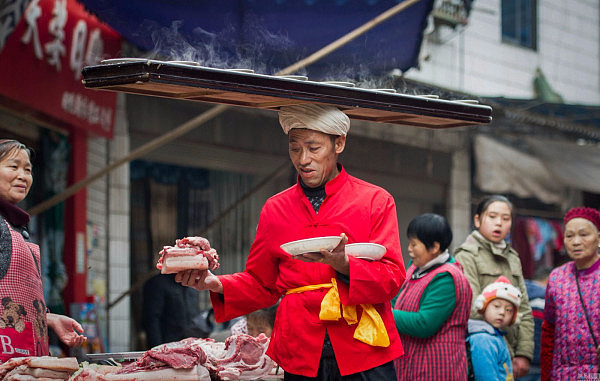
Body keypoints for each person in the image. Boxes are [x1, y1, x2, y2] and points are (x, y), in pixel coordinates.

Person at [176, 103, 406, 380]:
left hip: (362, 344)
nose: (303, 159)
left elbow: (393, 277)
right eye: (295, 148)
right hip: (299, 345)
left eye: (313, 148)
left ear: (339, 143)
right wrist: (214, 282)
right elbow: (262, 283)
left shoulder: (375, 200)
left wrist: (345, 265)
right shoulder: (275, 208)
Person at [0, 139, 86, 362]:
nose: (23, 175)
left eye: (28, 169)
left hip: (24, 361)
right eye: (13, 166)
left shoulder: (16, 227)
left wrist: (48, 318)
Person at [454, 194, 534, 378]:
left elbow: (524, 309)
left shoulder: (512, 256)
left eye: (505, 219)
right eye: (492, 216)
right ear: (477, 220)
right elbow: (473, 307)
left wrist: (524, 354)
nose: (499, 223)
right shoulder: (466, 255)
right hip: (482, 350)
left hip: (510, 354)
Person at [391, 213, 472, 380]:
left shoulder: (447, 278)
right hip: (412, 364)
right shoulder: (416, 267)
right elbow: (396, 298)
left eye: (415, 244)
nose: (409, 249)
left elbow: (424, 323)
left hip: (438, 367)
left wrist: (383, 315)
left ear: (434, 247)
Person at [541, 207, 600, 380]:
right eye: (569, 236)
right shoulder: (557, 277)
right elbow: (549, 330)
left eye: (584, 234)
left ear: (598, 238)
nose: (575, 242)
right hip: (562, 374)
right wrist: (546, 376)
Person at [467, 275, 522, 381]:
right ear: (483, 306)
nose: (502, 312)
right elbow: (485, 376)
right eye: (496, 306)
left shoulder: (494, 336)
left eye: (509, 310)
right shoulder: (483, 339)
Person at [142, 272, 202, 348]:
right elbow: (151, 319)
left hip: (192, 344)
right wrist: (157, 350)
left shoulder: (192, 283)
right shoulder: (157, 283)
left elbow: (195, 313)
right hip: (167, 344)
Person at [518, 266, 551, 381]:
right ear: (548, 280)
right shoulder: (545, 299)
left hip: (518, 360)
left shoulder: (516, 295)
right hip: (539, 362)